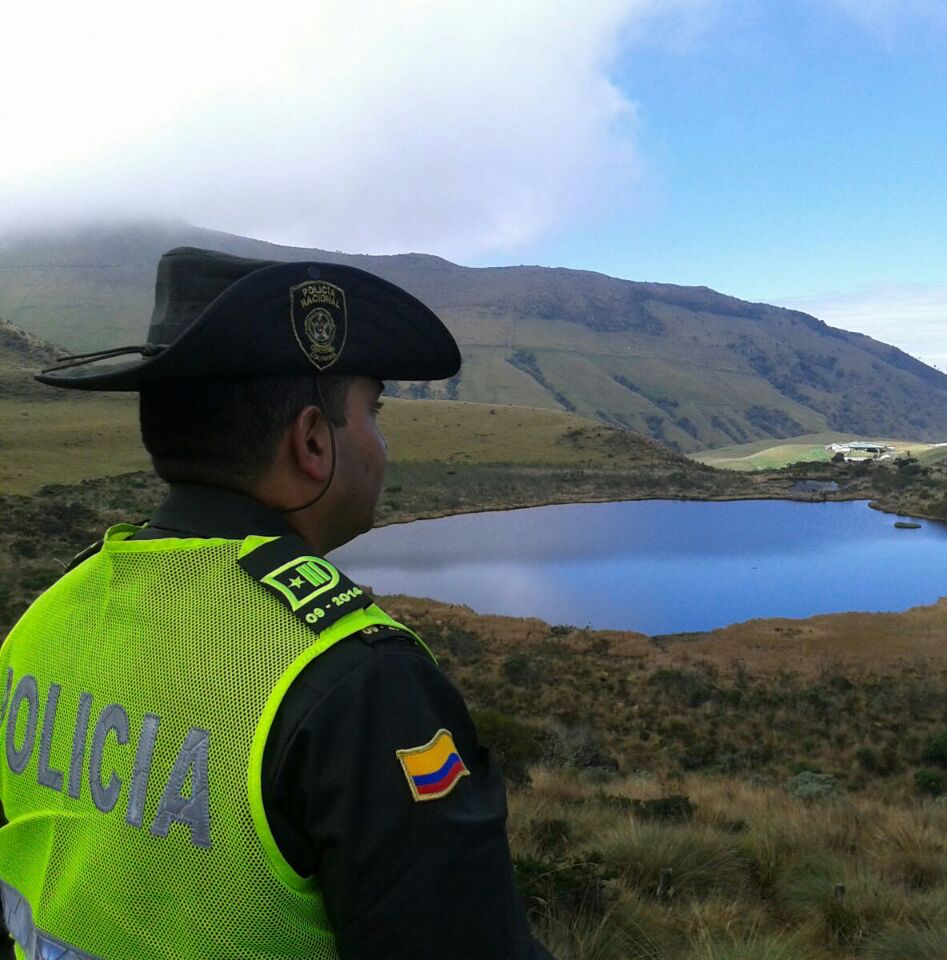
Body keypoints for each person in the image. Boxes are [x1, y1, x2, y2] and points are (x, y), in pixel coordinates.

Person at [0, 247, 555, 959]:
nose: (382, 443)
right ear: (313, 442)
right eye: (373, 413)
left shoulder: (50, 613)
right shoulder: (357, 682)